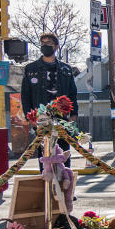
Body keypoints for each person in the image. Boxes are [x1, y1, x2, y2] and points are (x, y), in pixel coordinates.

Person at [21, 32, 79, 166]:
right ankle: (46, 183)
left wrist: (73, 115)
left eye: (49, 44)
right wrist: (30, 118)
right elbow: (25, 95)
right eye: (43, 44)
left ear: (56, 47)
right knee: (45, 154)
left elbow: (73, 93)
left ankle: (65, 182)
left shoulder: (66, 69)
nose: (45, 46)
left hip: (62, 118)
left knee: (63, 153)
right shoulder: (31, 69)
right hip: (41, 118)